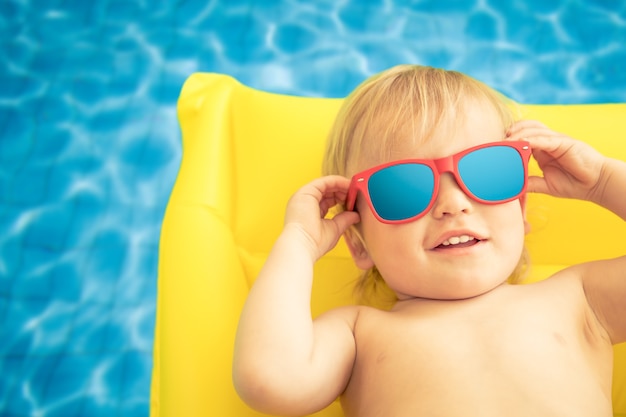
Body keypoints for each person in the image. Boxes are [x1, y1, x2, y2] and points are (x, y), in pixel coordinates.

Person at [232, 65, 626, 417]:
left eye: (487, 172)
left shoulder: (582, 300)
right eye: (403, 188)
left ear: (520, 209)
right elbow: (270, 381)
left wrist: (603, 181)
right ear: (359, 244)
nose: (453, 204)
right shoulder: (358, 335)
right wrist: (298, 243)